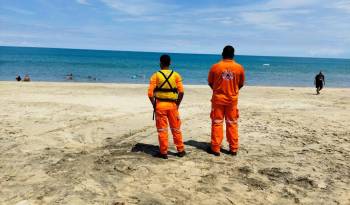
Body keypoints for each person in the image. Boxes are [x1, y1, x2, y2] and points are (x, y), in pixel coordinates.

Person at [207, 45, 245, 156]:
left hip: (218, 100)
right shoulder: (239, 68)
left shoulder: (215, 67)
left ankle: (215, 148)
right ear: (233, 55)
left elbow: (210, 82)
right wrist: (232, 90)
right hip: (232, 100)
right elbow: (241, 84)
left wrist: (218, 90)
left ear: (222, 54)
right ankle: (233, 149)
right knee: (232, 124)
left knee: (217, 123)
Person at [148, 54, 186, 159]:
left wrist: (154, 105)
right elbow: (181, 92)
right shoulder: (176, 75)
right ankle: (180, 150)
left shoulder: (155, 75)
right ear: (170, 63)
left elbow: (150, 94)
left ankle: (163, 152)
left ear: (160, 63)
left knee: (162, 130)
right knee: (176, 129)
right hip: (173, 106)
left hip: (160, 105)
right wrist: (177, 104)